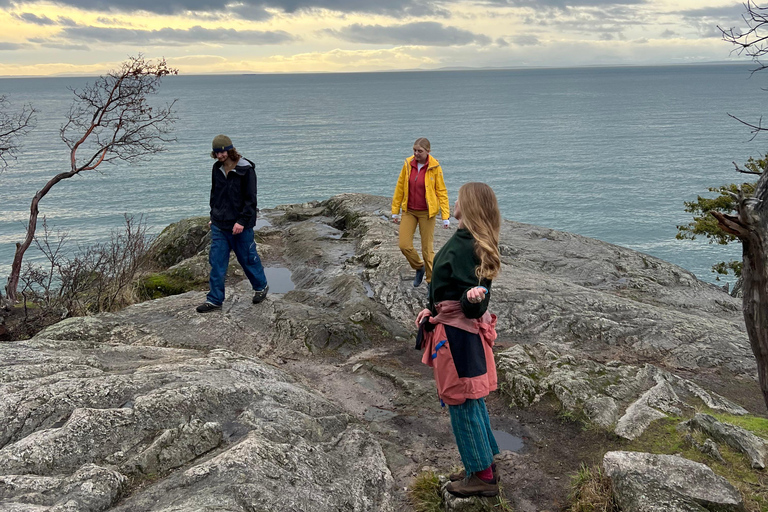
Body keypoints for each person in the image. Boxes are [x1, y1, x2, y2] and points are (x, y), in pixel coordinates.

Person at [415, 182, 502, 498]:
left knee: (462, 402)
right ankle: (480, 464)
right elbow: (446, 286)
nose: (454, 199)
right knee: (472, 401)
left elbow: (473, 304)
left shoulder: (470, 245)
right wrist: (429, 309)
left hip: (458, 338)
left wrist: (473, 298)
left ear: (469, 205)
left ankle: (482, 476)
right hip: (454, 331)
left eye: (459, 196)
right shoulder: (469, 240)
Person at [196, 135, 269, 313]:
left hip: (240, 226)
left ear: (230, 149)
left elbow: (251, 200)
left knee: (248, 259)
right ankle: (214, 300)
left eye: (222, 151)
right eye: (217, 152)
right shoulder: (217, 168)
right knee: (217, 262)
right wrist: (214, 214)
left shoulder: (246, 170)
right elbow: (215, 194)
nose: (220, 155)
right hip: (220, 225)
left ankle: (261, 287)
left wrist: (242, 222)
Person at [391, 137, 450, 288]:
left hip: (427, 213)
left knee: (427, 250)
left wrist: (445, 216)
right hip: (409, 211)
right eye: (414, 150)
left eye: (420, 151)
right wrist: (395, 211)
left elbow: (441, 191)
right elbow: (400, 187)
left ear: (428, 152)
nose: (416, 153)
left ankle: (431, 281)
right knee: (404, 245)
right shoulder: (408, 164)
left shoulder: (435, 167)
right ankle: (419, 267)